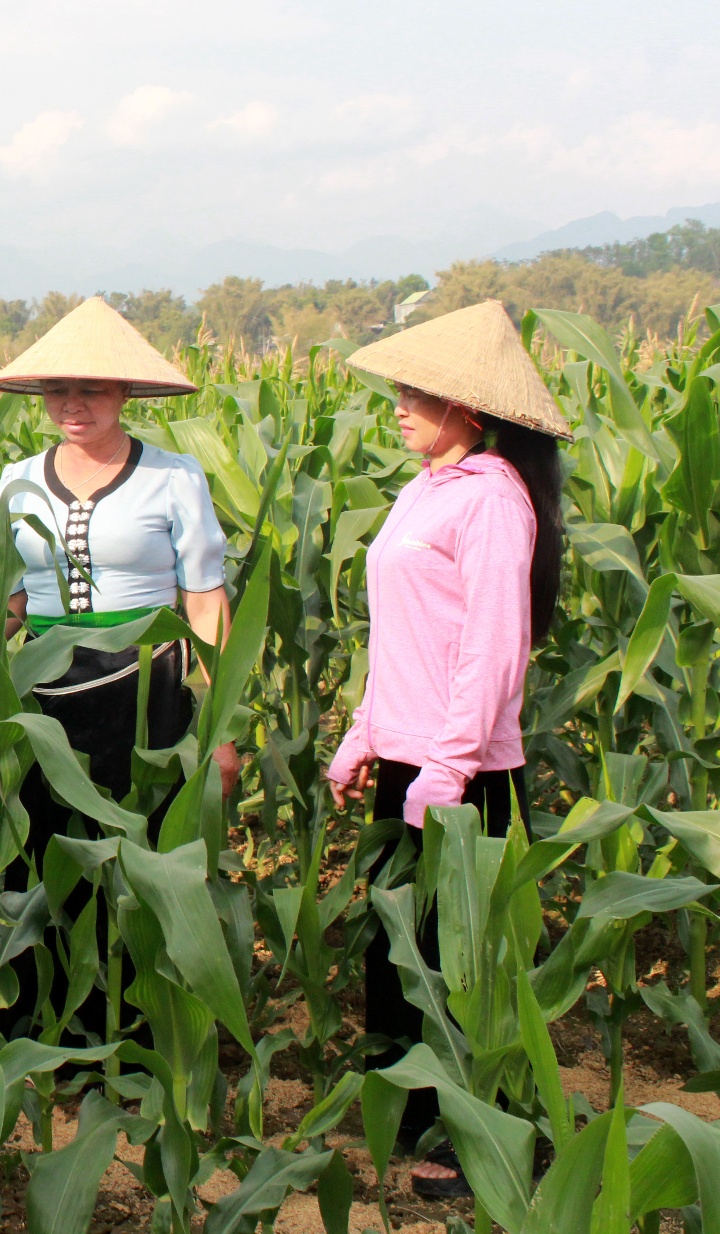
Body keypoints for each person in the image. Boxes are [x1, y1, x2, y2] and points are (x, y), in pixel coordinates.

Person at [0, 296, 240, 1045]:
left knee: (140, 855)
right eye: (58, 391)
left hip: (149, 687)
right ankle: (48, 1025)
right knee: (45, 852)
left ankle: (142, 1029)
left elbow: (207, 605)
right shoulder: (17, 479)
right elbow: (9, 605)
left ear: (125, 395)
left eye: (93, 390)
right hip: (45, 692)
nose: (73, 406)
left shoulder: (174, 479)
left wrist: (218, 724)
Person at [326, 299, 570, 1197]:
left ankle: (478, 1142)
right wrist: (365, 735)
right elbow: (404, 635)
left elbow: (492, 648)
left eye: (414, 391)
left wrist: (451, 763)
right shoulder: (426, 488)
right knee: (399, 955)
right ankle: (417, 1111)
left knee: (454, 964)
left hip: (460, 773)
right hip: (410, 756)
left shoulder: (495, 501)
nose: (396, 402)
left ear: (468, 406)